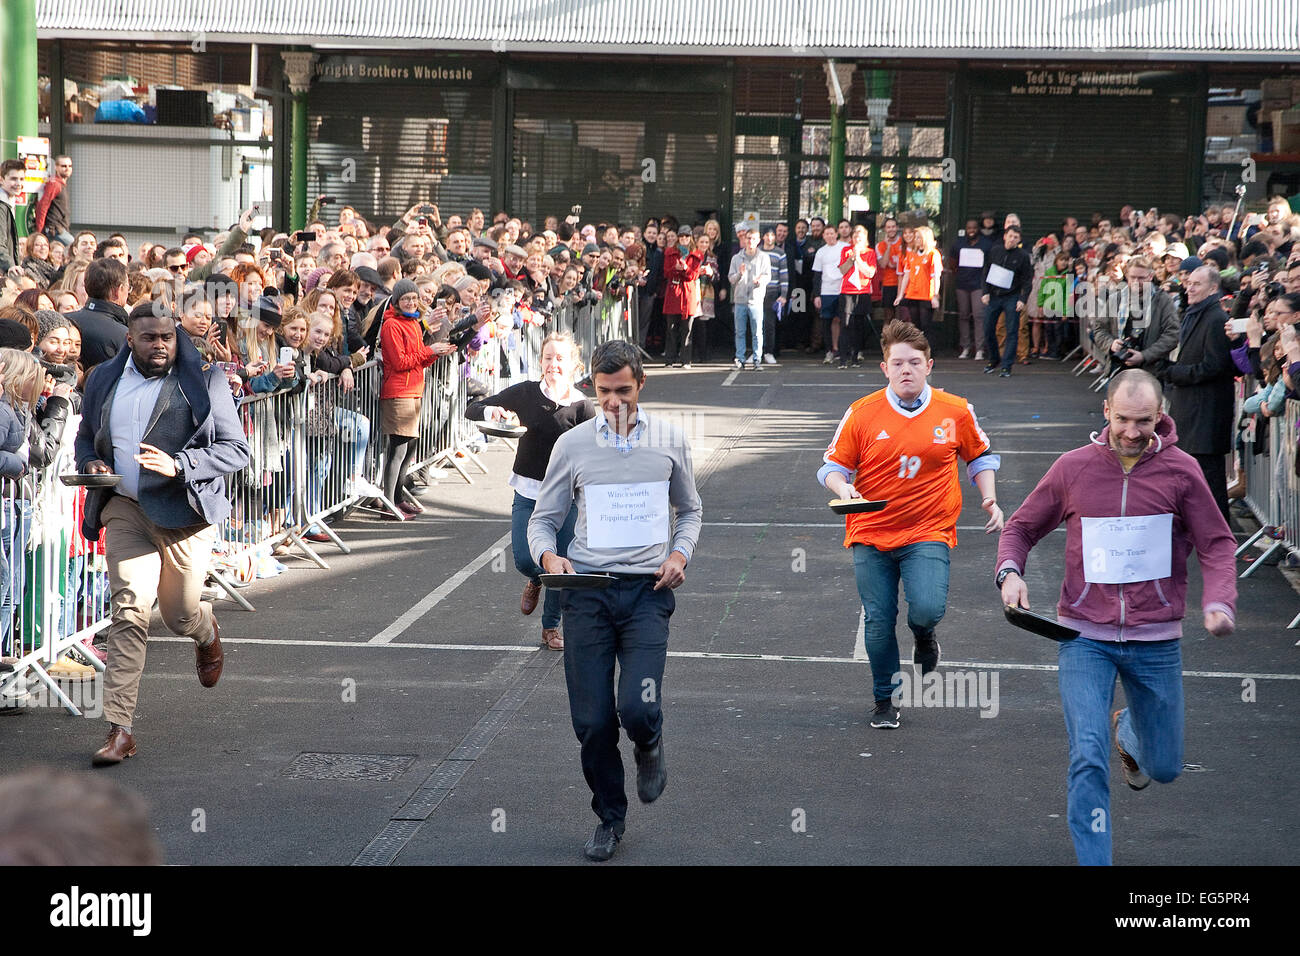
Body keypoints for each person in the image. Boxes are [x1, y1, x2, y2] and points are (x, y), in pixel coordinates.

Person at [996, 369, 1236, 865]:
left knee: (1165, 767)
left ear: (1160, 415)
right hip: (1084, 636)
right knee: (1087, 754)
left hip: (1156, 638)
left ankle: (1131, 726)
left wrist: (1220, 602)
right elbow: (1020, 527)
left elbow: (1216, 542)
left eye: (1143, 421)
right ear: (1106, 412)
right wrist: (1010, 573)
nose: (1132, 431)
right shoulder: (1073, 468)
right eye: (1123, 419)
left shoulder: (1182, 471)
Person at [528, 339, 702, 862]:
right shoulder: (573, 444)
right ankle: (610, 816)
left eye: (623, 391)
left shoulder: (670, 440)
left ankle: (649, 741)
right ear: (593, 387)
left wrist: (680, 555)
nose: (614, 403)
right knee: (593, 721)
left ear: (640, 385)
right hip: (587, 593)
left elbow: (690, 511)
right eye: (604, 392)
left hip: (649, 592)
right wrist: (548, 560)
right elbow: (544, 518)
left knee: (637, 706)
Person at [75, 310, 251, 766]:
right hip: (126, 509)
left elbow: (237, 451)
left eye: (167, 337)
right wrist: (93, 463)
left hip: (182, 514)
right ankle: (120, 730)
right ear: (130, 339)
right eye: (149, 337)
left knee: (179, 615)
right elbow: (85, 438)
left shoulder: (206, 380)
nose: (160, 345)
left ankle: (205, 629)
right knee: (129, 610)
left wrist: (181, 466)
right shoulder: (103, 381)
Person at [818, 320, 1003, 729]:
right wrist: (842, 487)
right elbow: (831, 467)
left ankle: (924, 634)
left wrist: (988, 496)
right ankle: (885, 699)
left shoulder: (954, 410)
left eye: (914, 362)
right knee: (879, 618)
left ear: (929, 366)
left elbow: (980, 457)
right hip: (870, 530)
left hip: (928, 530)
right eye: (897, 363)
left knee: (926, 607)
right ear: (884, 368)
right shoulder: (862, 413)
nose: (906, 370)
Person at [468, 332, 594, 650]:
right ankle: (534, 578)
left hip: (567, 498)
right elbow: (474, 407)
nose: (554, 363)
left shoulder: (582, 407)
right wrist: (491, 412)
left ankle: (550, 628)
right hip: (528, 491)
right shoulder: (525, 393)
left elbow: (597, 450)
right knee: (526, 559)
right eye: (548, 357)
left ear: (574, 365)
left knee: (560, 564)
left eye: (560, 358)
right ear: (540, 361)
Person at [1158, 265, 1235, 522]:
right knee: (1191, 478)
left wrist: (1174, 373)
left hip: (1206, 416)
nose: (1189, 288)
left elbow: (1215, 366)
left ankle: (1219, 538)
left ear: (1213, 288)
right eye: (1188, 283)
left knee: (1210, 483)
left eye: (1196, 284)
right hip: (1191, 411)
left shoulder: (1215, 319)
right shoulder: (1194, 313)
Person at [981, 225, 1033, 378]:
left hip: (1012, 296)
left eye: (1016, 237)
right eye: (1010, 236)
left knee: (1011, 331)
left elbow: (1027, 280)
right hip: (994, 295)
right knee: (988, 329)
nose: (1012, 240)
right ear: (1005, 236)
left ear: (1019, 240)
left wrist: (1022, 299)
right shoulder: (995, 250)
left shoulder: (1023, 256)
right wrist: (985, 292)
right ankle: (993, 359)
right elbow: (985, 272)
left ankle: (1006, 366)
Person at [948, 218, 992, 359]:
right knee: (963, 315)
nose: (971, 230)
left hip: (979, 285)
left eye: (974, 228)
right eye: (969, 228)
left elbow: (990, 264)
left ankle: (980, 349)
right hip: (962, 284)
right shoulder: (959, 244)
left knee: (979, 316)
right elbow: (952, 263)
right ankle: (965, 347)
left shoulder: (986, 244)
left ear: (978, 229)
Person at [729, 228, 771, 370]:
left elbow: (767, 276)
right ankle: (740, 359)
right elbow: (731, 278)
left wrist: (760, 281)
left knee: (757, 332)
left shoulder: (763, 257)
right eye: (748, 238)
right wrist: (740, 274)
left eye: (753, 238)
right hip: (740, 300)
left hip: (756, 300)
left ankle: (756, 359)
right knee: (739, 332)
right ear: (744, 240)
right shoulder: (736, 258)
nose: (750, 241)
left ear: (758, 241)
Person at [835, 224, 877, 368]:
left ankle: (855, 357)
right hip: (847, 292)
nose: (857, 238)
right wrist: (851, 258)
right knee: (845, 324)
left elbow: (870, 273)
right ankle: (843, 358)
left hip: (863, 292)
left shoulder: (870, 253)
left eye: (860, 236)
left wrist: (859, 258)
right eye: (855, 236)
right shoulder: (846, 250)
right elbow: (842, 270)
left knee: (859, 326)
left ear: (865, 238)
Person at [33, 155, 76, 248]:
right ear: (56, 167)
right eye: (63, 166)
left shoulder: (60, 184)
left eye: (70, 166)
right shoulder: (54, 184)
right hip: (54, 230)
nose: (67, 168)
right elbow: (42, 206)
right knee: (75, 247)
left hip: (60, 229)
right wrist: (39, 231)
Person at [0, 160, 24, 275]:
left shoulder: (8, 203)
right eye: (13, 179)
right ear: (1, 179)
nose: (18, 183)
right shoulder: (1, 206)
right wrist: (11, 265)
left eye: (22, 179)